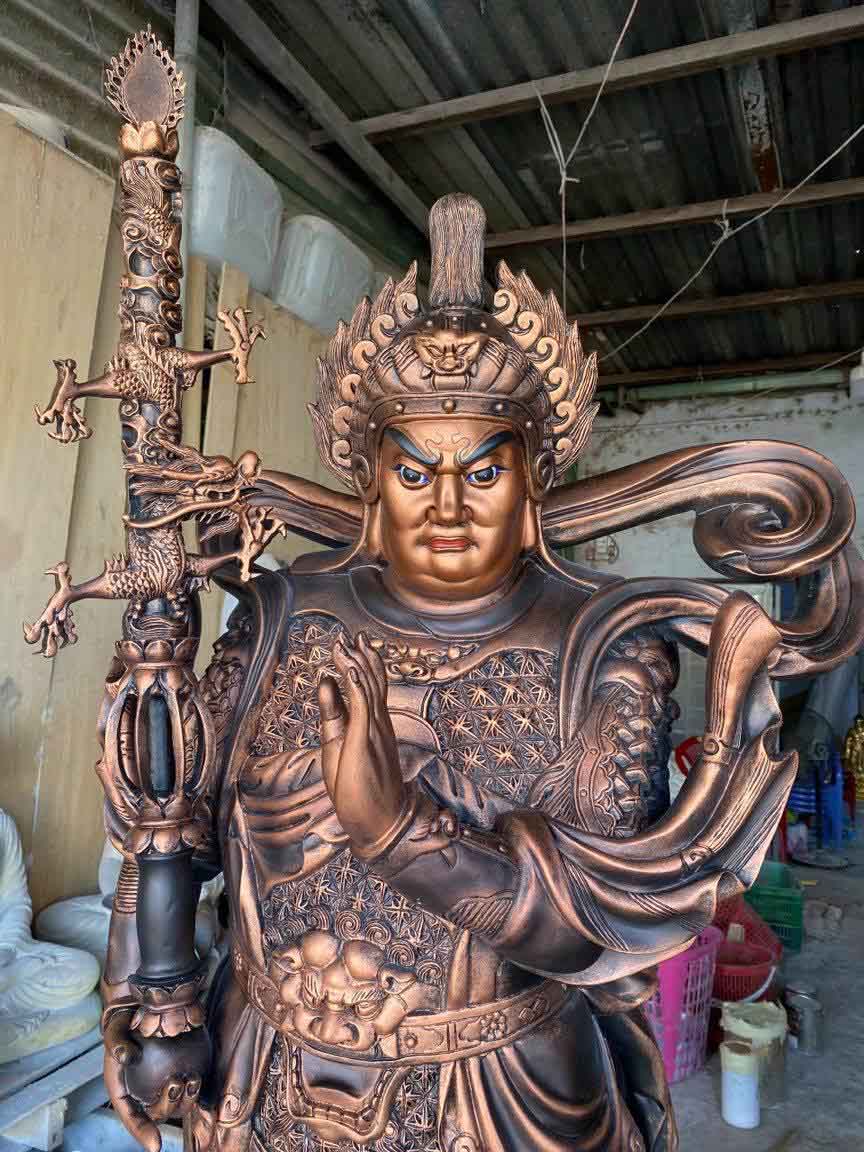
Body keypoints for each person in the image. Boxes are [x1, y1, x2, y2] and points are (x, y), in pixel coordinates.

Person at [99, 194, 804, 1152]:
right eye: (412, 472)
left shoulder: (603, 645)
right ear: (370, 481)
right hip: (264, 1077)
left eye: (481, 473)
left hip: (497, 1094)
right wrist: (151, 999)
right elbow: (170, 825)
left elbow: (595, 927)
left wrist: (394, 829)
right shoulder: (279, 617)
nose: (445, 506)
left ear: (531, 483)